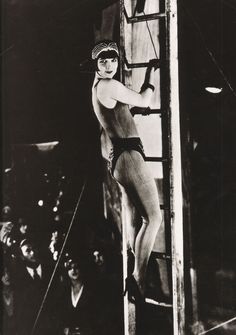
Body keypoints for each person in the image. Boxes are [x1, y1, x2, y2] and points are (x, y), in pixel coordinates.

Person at [91, 40, 162, 301]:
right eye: (103, 61)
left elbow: (122, 111)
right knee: (154, 219)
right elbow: (145, 99)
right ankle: (138, 280)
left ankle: (136, 273)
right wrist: (151, 74)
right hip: (129, 156)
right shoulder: (110, 85)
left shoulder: (99, 87)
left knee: (139, 219)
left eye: (112, 60)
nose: (109, 65)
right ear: (96, 65)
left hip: (121, 158)